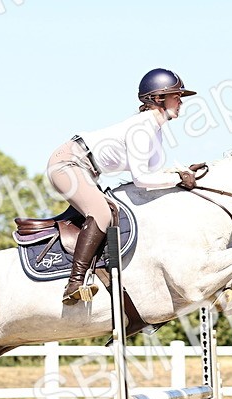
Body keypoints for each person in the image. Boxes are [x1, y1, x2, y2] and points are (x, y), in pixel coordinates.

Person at [47, 68, 200, 306]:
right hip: (67, 163)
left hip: (87, 170)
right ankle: (74, 284)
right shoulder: (142, 127)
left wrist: (182, 172)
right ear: (158, 98)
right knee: (101, 213)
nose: (181, 101)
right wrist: (178, 179)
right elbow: (141, 179)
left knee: (114, 211)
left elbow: (153, 175)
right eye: (176, 96)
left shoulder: (156, 130)